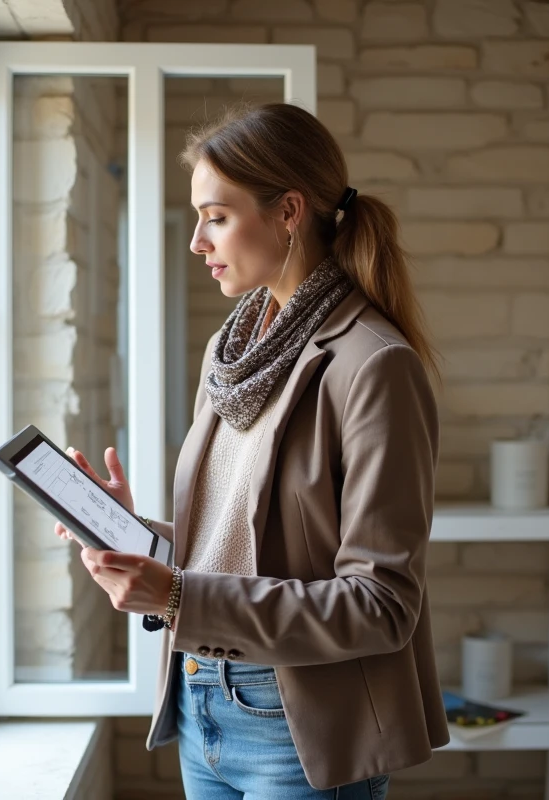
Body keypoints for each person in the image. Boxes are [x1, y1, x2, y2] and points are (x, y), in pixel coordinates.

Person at [55, 102, 448, 799]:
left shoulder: (374, 365)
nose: (197, 242)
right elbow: (240, 545)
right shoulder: (233, 351)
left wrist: (174, 593)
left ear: (289, 212)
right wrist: (135, 535)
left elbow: (382, 605)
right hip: (198, 697)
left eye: (217, 216)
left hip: (297, 725)